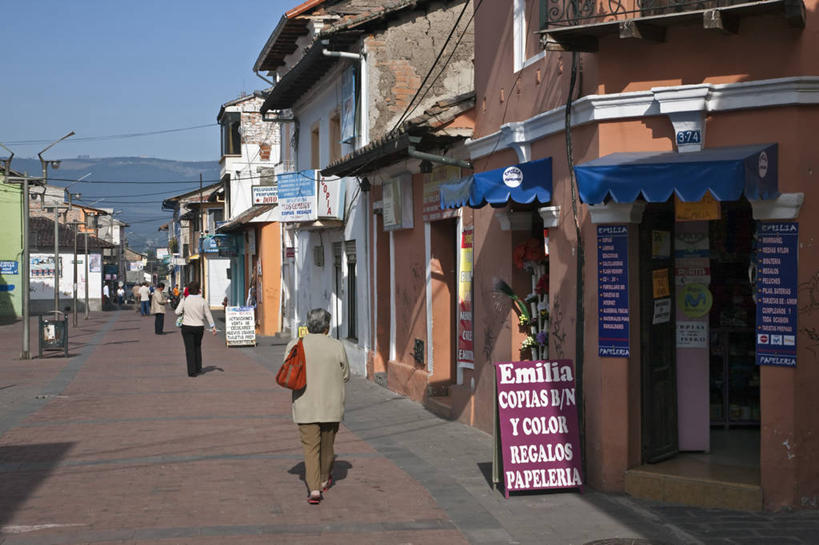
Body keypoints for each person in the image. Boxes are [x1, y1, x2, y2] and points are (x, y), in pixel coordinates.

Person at [285, 308, 350, 505]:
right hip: (330, 405)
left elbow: (287, 371)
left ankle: (314, 489)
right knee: (327, 446)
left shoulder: (296, 344)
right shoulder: (336, 345)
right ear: (327, 327)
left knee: (310, 448)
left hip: (305, 405)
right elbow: (346, 374)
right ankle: (323, 478)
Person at [174, 280, 216, 377]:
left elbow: (177, 312)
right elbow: (208, 314)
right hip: (199, 327)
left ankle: (192, 371)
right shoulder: (202, 301)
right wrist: (213, 326)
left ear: (189, 289)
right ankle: (198, 367)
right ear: (199, 290)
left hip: (187, 326)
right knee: (197, 346)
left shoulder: (185, 299)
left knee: (189, 349)